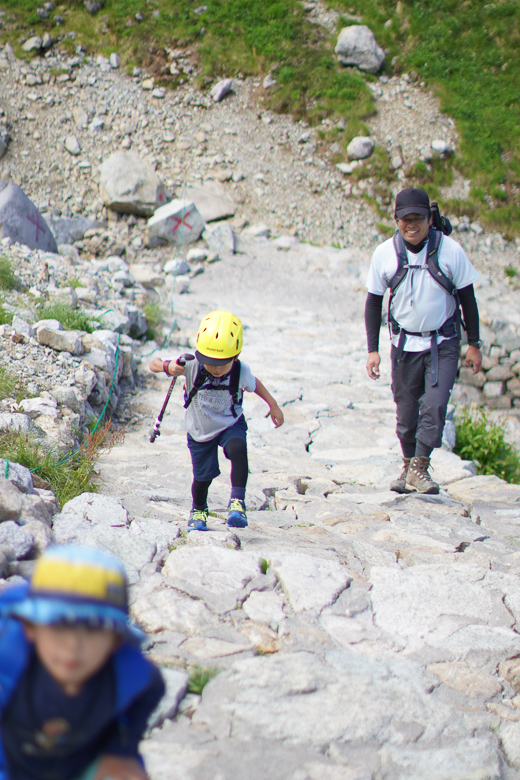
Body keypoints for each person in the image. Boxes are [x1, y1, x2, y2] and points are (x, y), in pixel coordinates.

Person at [0, 544, 165, 780]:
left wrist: (119, 751)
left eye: (93, 628)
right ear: (30, 629)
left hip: (80, 763)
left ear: (116, 639)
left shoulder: (127, 671)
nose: (72, 646)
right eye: (58, 625)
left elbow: (152, 688)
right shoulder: (9, 661)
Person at [365, 187, 482, 494]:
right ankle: (407, 465)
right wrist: (373, 350)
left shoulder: (451, 251)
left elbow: (468, 300)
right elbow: (373, 303)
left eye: (418, 218)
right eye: (405, 219)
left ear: (431, 219)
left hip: (443, 342)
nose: (411, 224)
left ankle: (420, 466)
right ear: (396, 220)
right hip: (404, 346)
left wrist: (474, 344)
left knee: (435, 403)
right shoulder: (384, 254)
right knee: (405, 410)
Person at [149, 309, 284, 531]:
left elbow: (255, 384)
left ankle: (237, 502)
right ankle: (199, 509)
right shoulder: (191, 364)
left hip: (230, 423)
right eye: (210, 362)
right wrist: (168, 367)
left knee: (238, 447)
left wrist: (274, 405)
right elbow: (153, 364)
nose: (216, 368)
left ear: (236, 356)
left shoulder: (240, 370)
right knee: (203, 478)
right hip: (200, 429)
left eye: (222, 363)